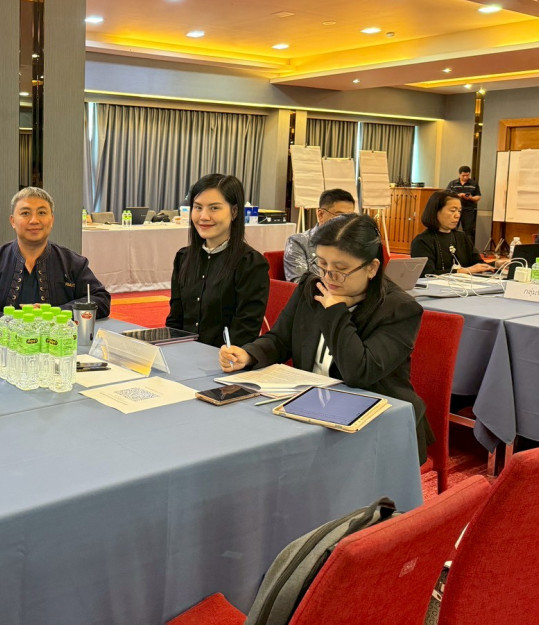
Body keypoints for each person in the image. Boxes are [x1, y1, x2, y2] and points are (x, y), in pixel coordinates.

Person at [220, 213, 432, 464]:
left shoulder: (399, 309)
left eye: (340, 270)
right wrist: (249, 354)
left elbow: (359, 372)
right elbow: (280, 340)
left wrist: (335, 311)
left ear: (372, 268)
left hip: (378, 420)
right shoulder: (312, 287)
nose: (329, 278)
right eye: (322, 265)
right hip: (313, 409)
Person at [0, 186, 110, 324]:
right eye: (25, 213)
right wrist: (17, 321)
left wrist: (54, 313)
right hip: (2, 340)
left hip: (58, 339)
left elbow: (101, 299)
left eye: (41, 213)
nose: (34, 220)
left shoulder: (72, 263)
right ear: (12, 221)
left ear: (52, 220)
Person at [166, 174, 269, 348]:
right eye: (198, 207)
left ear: (234, 212)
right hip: (182, 356)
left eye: (214, 208)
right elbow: (175, 320)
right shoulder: (183, 258)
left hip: (225, 359)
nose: (203, 216)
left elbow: (245, 331)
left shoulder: (250, 263)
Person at [410, 190, 493, 276]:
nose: (457, 215)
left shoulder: (462, 237)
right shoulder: (422, 241)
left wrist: (496, 265)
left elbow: (477, 264)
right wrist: (463, 271)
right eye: (452, 211)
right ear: (436, 211)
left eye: (459, 211)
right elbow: (426, 274)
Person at [283, 188, 357, 281]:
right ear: (320, 215)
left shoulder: (355, 242)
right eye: (340, 216)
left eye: (350, 217)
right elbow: (299, 284)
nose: (346, 222)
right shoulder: (299, 242)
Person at [446, 165, 480, 243]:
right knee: (452, 228)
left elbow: (478, 197)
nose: (465, 177)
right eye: (463, 175)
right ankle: (451, 245)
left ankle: (468, 248)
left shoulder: (473, 183)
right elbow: (447, 195)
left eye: (467, 175)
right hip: (454, 210)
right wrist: (458, 195)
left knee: (468, 231)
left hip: (468, 210)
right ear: (459, 174)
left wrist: (471, 198)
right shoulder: (453, 183)